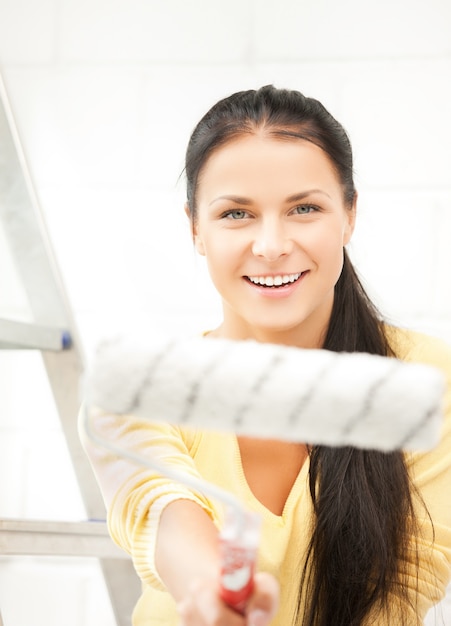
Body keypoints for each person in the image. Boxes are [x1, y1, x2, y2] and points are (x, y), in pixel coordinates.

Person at [80, 85, 451, 625]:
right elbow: (160, 508)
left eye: (304, 208)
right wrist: (210, 589)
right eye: (236, 214)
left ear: (348, 215)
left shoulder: (428, 381)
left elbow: (408, 581)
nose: (272, 244)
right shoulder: (140, 390)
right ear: (195, 229)